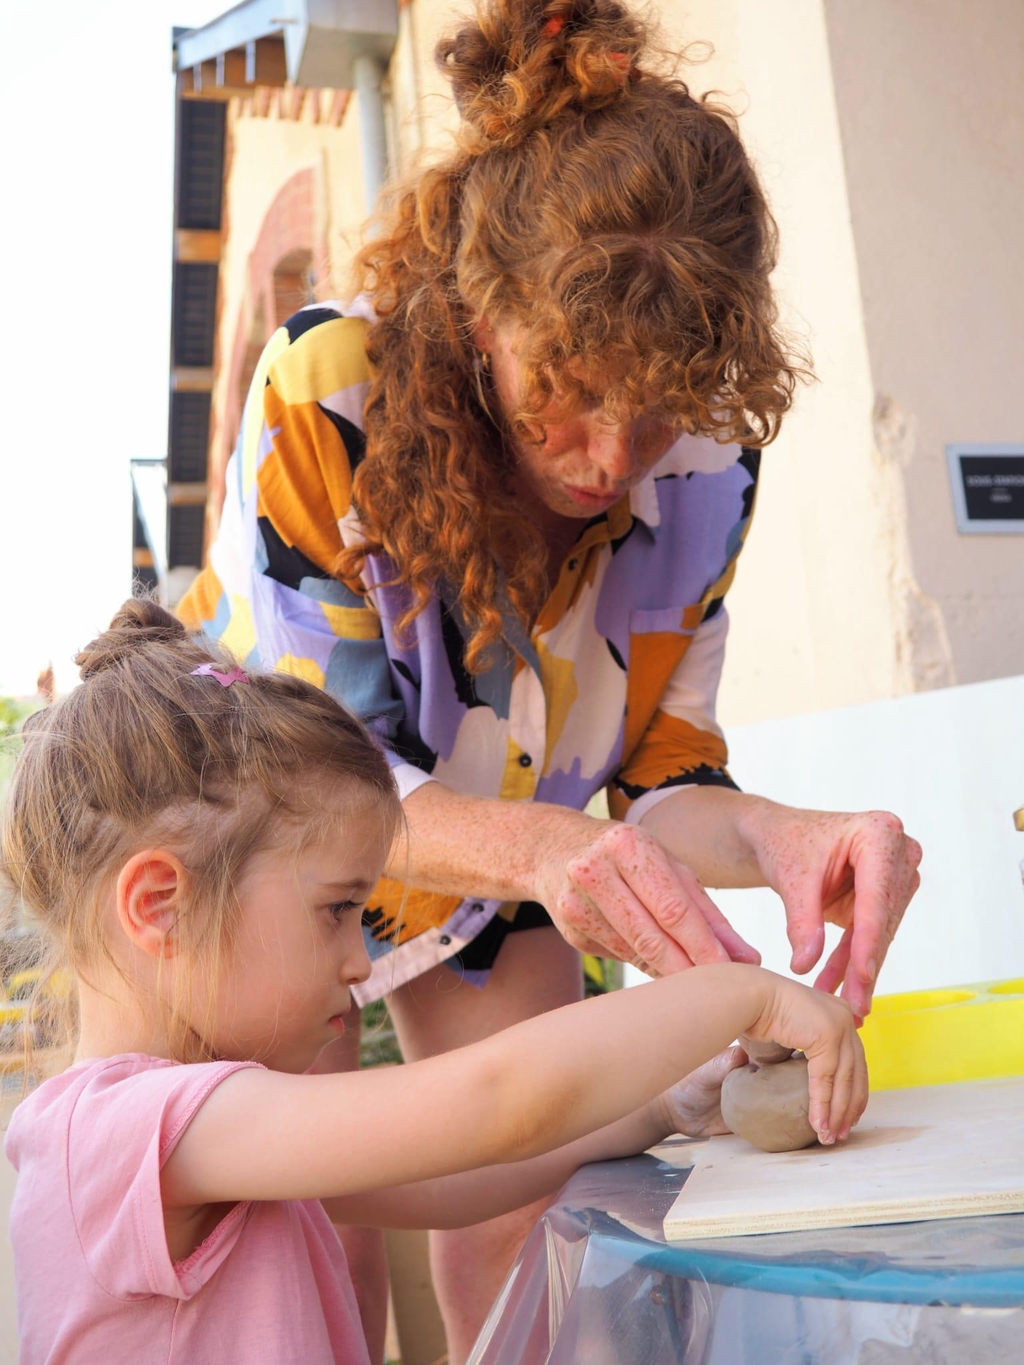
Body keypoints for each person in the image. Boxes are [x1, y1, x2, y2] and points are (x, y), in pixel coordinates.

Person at [177, 0, 921, 1356]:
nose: (612, 454)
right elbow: (311, 781)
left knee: (531, 1187)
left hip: (498, 835)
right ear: (481, 312)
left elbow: (656, 781)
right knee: (304, 1229)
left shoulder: (708, 470)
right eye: (570, 387)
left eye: (660, 402)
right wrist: (544, 849)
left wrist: (776, 833)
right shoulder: (327, 393)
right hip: (256, 836)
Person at [0, 601, 866, 1364]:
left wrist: (665, 1105)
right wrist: (741, 994)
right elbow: (496, 1101)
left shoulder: (208, 1131)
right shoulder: (123, 1132)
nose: (361, 961)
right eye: (337, 909)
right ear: (161, 904)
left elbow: (452, 1176)